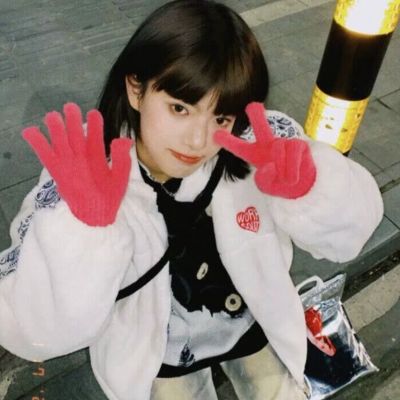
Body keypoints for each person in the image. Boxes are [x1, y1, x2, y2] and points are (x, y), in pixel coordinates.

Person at [0, 1, 383, 399]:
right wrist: (84, 233)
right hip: (156, 352)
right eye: (179, 108)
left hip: (252, 323)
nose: (198, 141)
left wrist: (312, 190)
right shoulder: (86, 174)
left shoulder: (258, 144)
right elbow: (32, 330)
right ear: (136, 89)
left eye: (221, 117)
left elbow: (349, 238)